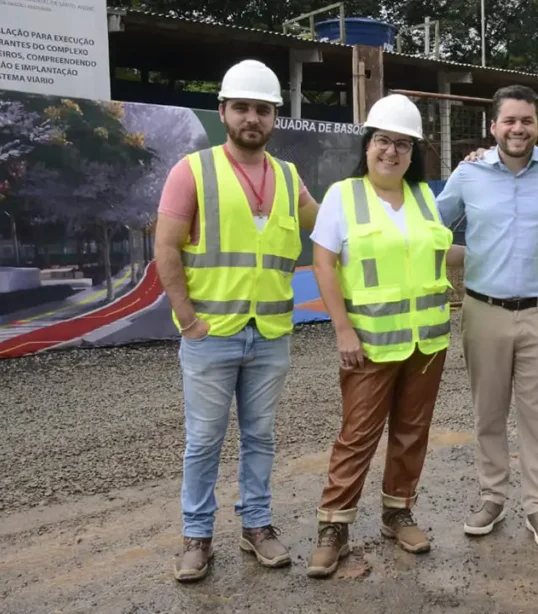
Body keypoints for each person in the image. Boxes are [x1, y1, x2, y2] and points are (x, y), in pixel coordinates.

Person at [154, 59, 321, 582]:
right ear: (223, 110)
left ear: (275, 118)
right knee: (203, 441)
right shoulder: (193, 171)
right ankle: (196, 537)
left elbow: (335, 229)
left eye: (263, 110)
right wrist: (187, 319)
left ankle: (257, 527)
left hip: (270, 334)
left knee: (261, 437)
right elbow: (166, 246)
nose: (253, 117)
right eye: (243, 107)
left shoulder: (290, 179)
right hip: (211, 335)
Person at [305, 94, 456, 578]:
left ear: (414, 153)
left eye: (403, 145)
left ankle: (398, 512)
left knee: (412, 433)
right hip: (368, 343)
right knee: (357, 437)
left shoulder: (425, 198)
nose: (392, 152)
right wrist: (342, 330)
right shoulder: (343, 196)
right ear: (368, 144)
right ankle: (334, 526)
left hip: (426, 345)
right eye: (383, 141)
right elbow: (323, 264)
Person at [435, 85, 538, 549]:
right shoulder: (469, 174)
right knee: (488, 413)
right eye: (509, 120)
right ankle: (492, 496)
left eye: (527, 120)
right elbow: (431, 226)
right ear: (493, 126)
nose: (518, 128)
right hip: (484, 312)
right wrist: (464, 254)